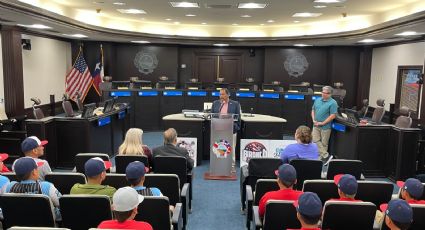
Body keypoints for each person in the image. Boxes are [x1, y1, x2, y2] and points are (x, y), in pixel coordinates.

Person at [211, 88, 241, 172]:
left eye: (223, 94)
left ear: (228, 95)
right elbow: (212, 116)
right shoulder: (215, 103)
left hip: (230, 130)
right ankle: (218, 164)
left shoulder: (235, 104)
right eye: (220, 94)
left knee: (231, 148)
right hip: (218, 129)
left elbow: (238, 118)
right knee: (218, 147)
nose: (221, 96)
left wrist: (235, 127)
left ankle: (231, 166)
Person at [311, 86, 338, 164]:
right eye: (323, 92)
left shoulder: (333, 102)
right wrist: (313, 119)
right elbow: (313, 110)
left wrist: (322, 123)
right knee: (315, 140)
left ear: (330, 94)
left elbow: (333, 115)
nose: (323, 94)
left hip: (325, 126)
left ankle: (321, 160)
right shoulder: (317, 100)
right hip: (315, 125)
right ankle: (326, 156)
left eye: (326, 93)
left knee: (324, 144)